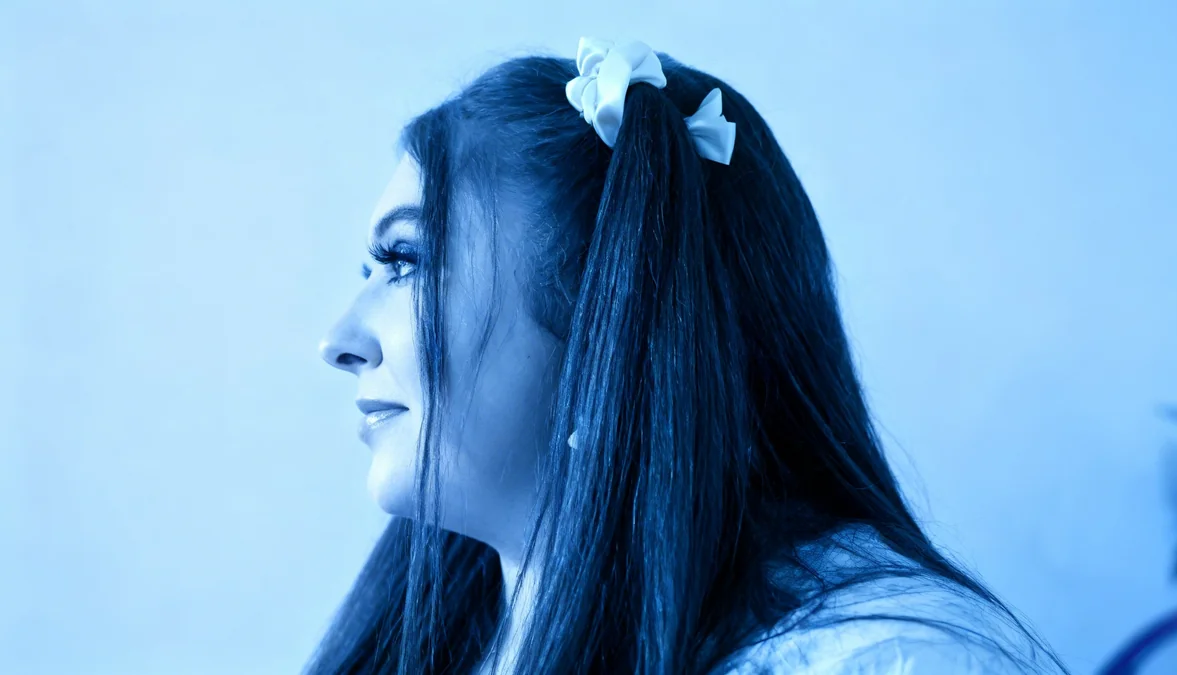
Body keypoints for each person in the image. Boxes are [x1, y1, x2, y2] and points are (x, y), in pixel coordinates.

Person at [313, 37, 1068, 674]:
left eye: (405, 260)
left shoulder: (886, 659)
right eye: (368, 272)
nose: (338, 341)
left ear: (605, 320)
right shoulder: (449, 638)